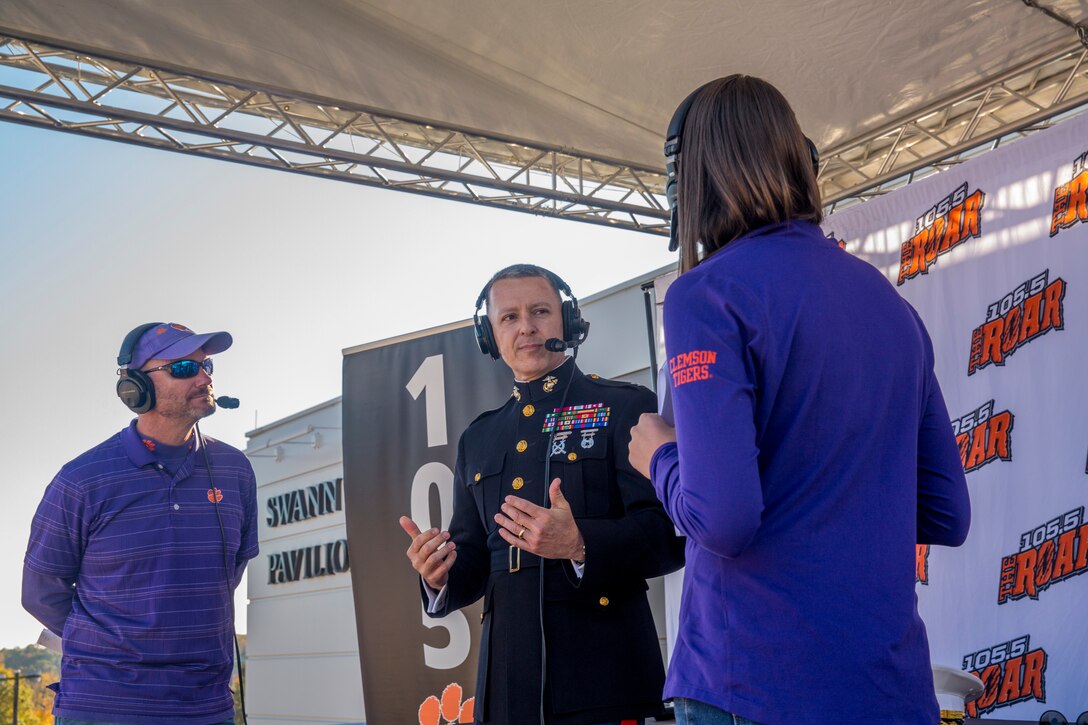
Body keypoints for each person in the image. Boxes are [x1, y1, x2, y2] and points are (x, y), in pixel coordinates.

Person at [628, 76, 971, 725]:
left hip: (755, 682)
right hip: (889, 689)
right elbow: (947, 512)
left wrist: (661, 458)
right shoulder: (890, 305)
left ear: (692, 175)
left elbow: (723, 518)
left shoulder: (707, 295)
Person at [399, 265, 686, 725]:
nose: (526, 326)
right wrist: (437, 574)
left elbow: (670, 537)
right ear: (489, 335)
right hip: (505, 692)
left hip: (607, 684)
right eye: (509, 317)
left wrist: (579, 544)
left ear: (567, 322)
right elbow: (473, 563)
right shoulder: (478, 438)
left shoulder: (624, 406)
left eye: (539, 311)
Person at [22, 322, 259, 725]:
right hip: (103, 708)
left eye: (207, 366)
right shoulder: (81, 481)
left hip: (206, 709)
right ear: (135, 388)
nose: (204, 378)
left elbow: (226, 574)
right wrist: (117, 644)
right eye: (185, 368)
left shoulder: (235, 471)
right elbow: (41, 592)